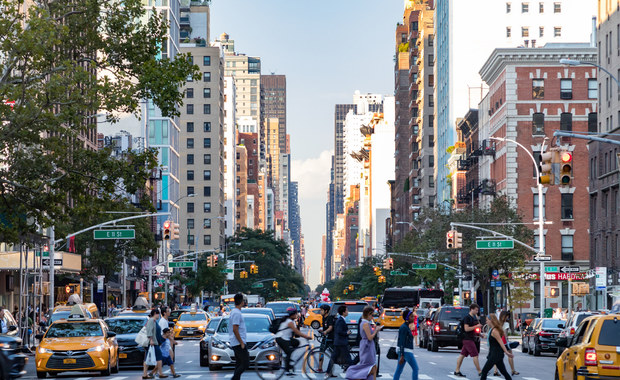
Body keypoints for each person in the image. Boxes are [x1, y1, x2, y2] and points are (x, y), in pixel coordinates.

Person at [345, 306, 382, 380]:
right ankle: (351, 373)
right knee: (369, 367)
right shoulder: (365, 323)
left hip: (367, 346)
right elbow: (370, 337)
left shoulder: (365, 323)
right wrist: (376, 330)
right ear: (368, 314)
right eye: (372, 315)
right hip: (367, 346)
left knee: (372, 367)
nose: (372, 317)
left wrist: (375, 329)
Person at [275, 307, 312, 375]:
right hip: (281, 338)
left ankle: (288, 358)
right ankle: (288, 369)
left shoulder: (291, 321)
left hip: (286, 338)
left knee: (296, 342)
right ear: (292, 315)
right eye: (296, 314)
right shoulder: (289, 322)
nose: (297, 315)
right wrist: (306, 336)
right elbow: (297, 332)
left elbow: (294, 333)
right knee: (288, 352)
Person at [480, 315, 514, 380]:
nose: (486, 322)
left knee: (484, 371)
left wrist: (507, 352)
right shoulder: (492, 330)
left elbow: (501, 342)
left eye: (487, 320)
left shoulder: (495, 331)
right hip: (496, 353)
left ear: (491, 320)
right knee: (504, 372)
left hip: (495, 354)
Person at [454, 303, 482, 377]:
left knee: (462, 355)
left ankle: (457, 370)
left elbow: (473, 329)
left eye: (477, 310)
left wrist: (479, 334)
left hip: (470, 338)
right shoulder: (467, 318)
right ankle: (480, 372)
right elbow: (466, 329)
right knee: (475, 355)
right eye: (476, 310)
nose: (477, 312)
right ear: (471, 309)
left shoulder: (473, 318)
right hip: (467, 339)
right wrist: (476, 326)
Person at [393, 308, 419, 380]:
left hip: (404, 351)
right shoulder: (404, 327)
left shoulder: (406, 326)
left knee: (399, 370)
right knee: (415, 368)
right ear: (407, 318)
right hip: (406, 351)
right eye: (411, 316)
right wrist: (401, 355)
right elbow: (402, 341)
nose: (413, 318)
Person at [327, 305, 352, 376]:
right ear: (343, 312)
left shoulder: (341, 319)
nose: (348, 312)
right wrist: (346, 333)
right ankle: (353, 373)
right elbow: (339, 331)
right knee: (348, 359)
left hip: (338, 342)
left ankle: (328, 372)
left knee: (333, 358)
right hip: (341, 342)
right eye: (347, 310)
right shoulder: (340, 320)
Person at [492, 311, 518, 376]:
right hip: (504, 341)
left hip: (497, 341)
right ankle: (512, 370)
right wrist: (507, 340)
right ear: (505, 316)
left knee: (496, 356)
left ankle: (495, 370)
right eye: (507, 316)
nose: (508, 318)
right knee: (510, 354)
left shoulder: (497, 323)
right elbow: (505, 334)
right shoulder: (506, 324)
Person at [143, 308, 166, 379]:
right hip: (153, 342)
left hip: (154, 342)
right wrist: (151, 340)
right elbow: (149, 331)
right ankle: (160, 373)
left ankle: (145, 374)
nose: (159, 315)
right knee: (159, 357)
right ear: (155, 314)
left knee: (147, 358)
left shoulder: (154, 321)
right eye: (157, 313)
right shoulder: (151, 320)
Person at [229, 294, 248, 380]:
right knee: (245, 363)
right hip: (238, 343)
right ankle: (234, 379)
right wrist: (241, 342)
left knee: (239, 363)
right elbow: (235, 329)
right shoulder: (236, 313)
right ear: (242, 302)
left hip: (237, 342)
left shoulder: (236, 312)